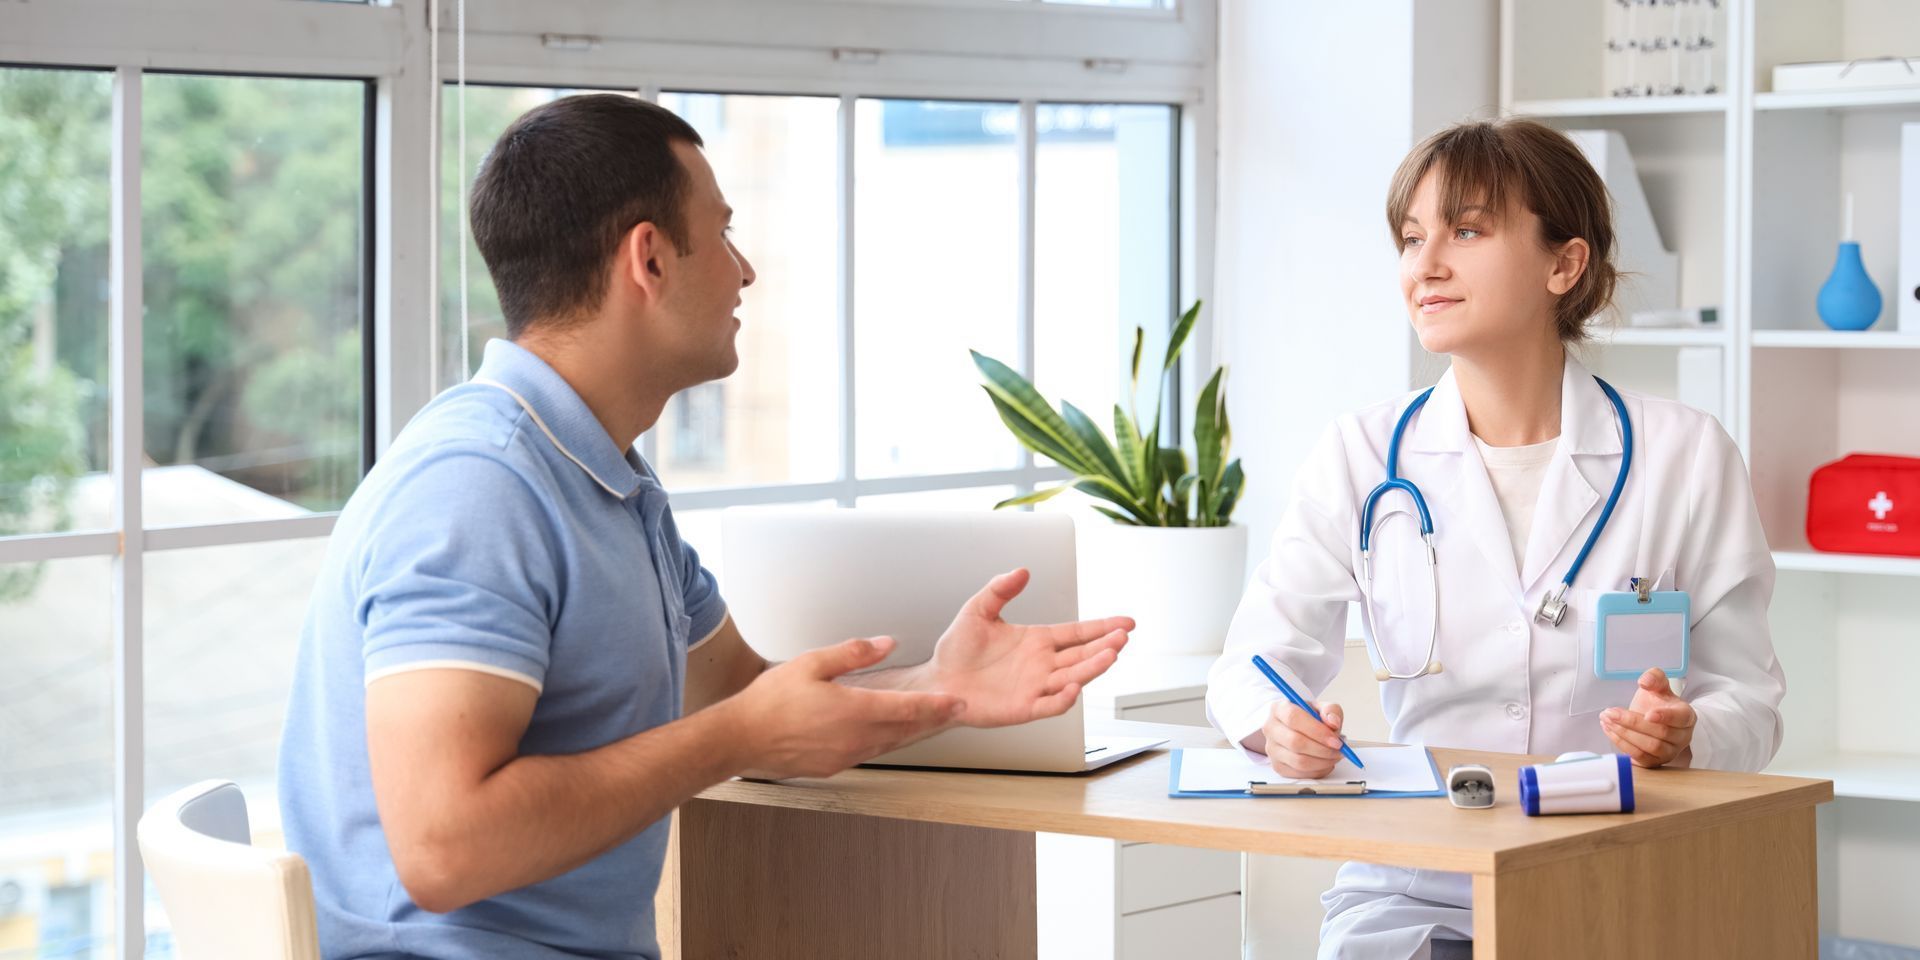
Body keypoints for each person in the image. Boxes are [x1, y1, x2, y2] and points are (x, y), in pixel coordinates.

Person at [277, 93, 1132, 959]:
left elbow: (739, 696)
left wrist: (942, 690)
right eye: (721, 234)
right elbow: (443, 849)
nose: (745, 270)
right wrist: (739, 737)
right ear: (648, 259)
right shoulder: (479, 488)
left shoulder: (609, 481)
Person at [1204, 118, 1785, 960]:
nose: (1425, 264)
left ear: (1564, 264)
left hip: (1625, 867)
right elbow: (1254, 663)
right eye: (1412, 237)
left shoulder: (1683, 455)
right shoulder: (1361, 454)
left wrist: (1690, 731)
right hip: (1415, 882)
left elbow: (1752, 701)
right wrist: (1275, 724)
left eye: (1466, 230)